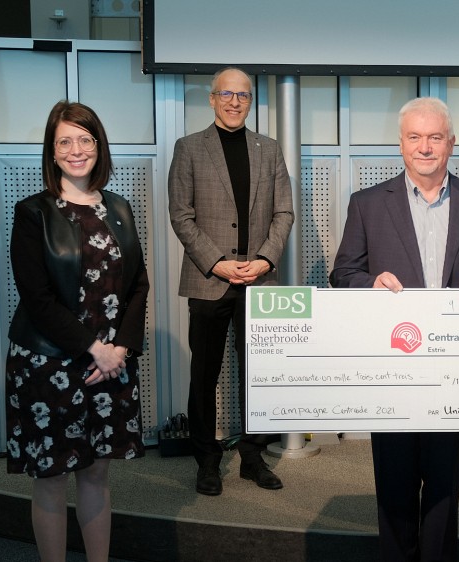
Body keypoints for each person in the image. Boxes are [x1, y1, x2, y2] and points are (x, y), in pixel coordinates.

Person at [330, 97, 459, 561]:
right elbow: (343, 274)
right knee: (393, 484)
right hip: (392, 370)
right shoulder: (368, 204)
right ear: (401, 145)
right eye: (415, 137)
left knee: (443, 486)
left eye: (435, 137)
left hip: (456, 372)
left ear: (451, 144)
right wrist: (369, 283)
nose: (425, 147)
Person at [5, 101, 149, 562]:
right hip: (51, 365)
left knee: (96, 474)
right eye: (64, 141)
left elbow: (138, 284)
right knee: (50, 478)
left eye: (85, 139)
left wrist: (120, 348)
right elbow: (37, 298)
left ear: (99, 146)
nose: (76, 150)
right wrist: (95, 350)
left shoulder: (120, 209)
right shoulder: (33, 214)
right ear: (51, 152)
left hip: (110, 366)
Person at [168, 67, 294, 496]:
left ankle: (253, 457)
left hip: (259, 281)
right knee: (204, 373)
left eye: (243, 95)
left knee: (258, 374)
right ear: (212, 98)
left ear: (251, 100)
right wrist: (217, 262)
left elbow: (284, 213)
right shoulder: (189, 148)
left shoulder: (270, 149)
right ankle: (206, 460)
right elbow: (181, 216)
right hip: (209, 280)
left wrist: (264, 259)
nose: (235, 102)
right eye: (227, 94)